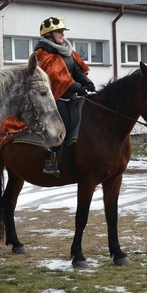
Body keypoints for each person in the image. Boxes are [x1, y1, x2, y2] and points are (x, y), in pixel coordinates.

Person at [35, 16, 95, 176]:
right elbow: (57, 77)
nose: (62, 34)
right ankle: (51, 160)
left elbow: (77, 71)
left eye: (63, 31)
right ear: (48, 35)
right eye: (59, 31)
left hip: (71, 95)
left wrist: (87, 83)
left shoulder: (67, 51)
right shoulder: (43, 54)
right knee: (63, 126)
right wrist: (78, 87)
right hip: (52, 98)